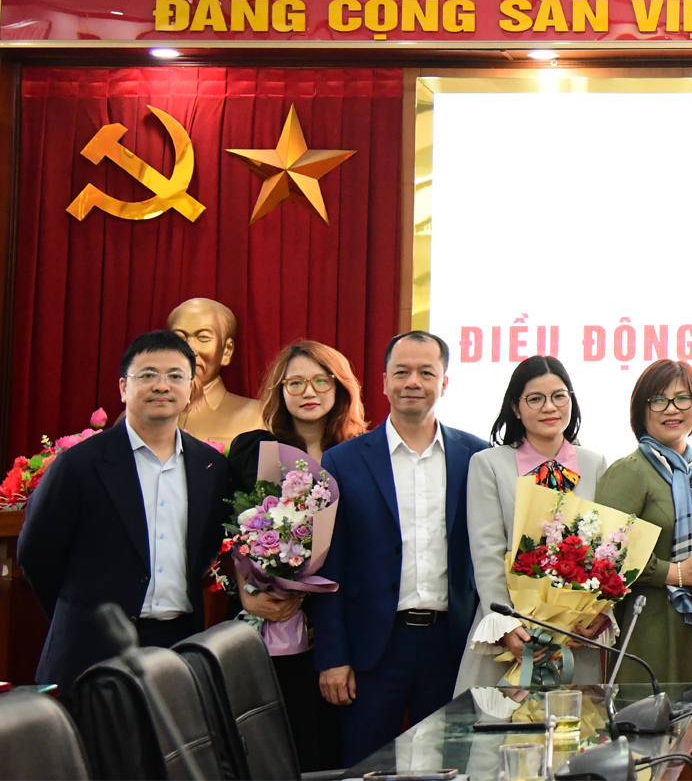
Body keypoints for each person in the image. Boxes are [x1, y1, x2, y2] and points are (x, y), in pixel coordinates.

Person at [309, 331, 490, 766]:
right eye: (402, 371)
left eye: (426, 372)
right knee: (367, 766)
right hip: (373, 649)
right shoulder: (343, 461)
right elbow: (329, 569)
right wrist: (333, 658)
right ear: (384, 381)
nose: (413, 382)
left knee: (450, 766)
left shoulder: (476, 457)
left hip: (452, 645)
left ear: (444, 383)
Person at [20, 330, 233, 686]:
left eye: (175, 376)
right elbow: (36, 554)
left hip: (178, 644)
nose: (161, 386)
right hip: (91, 650)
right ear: (123, 387)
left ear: (190, 388)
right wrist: (78, 614)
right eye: (147, 375)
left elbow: (206, 549)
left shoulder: (210, 466)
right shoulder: (79, 464)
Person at [226, 341, 368, 772]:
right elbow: (227, 533)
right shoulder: (254, 450)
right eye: (296, 383)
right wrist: (248, 593)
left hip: (344, 630)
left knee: (336, 751)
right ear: (280, 390)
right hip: (273, 623)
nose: (309, 391)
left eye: (321, 381)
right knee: (277, 752)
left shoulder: (362, 454)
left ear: (340, 387)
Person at [455, 356, 610, 692]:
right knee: (504, 720)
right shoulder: (488, 464)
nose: (549, 407)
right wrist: (506, 624)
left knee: (575, 720)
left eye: (559, 396)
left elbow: (606, 551)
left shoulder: (595, 463)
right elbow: (487, 553)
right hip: (512, 633)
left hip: (574, 637)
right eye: (535, 399)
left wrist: (599, 613)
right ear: (515, 407)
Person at [596, 359, 692, 684]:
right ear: (642, 410)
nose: (671, 409)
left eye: (682, 398)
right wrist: (677, 573)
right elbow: (604, 556)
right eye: (658, 400)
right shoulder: (630, 471)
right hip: (649, 626)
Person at [167, 297, 265, 445]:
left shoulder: (259, 417)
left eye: (203, 338)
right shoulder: (139, 415)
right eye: (179, 338)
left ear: (227, 350)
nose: (189, 350)